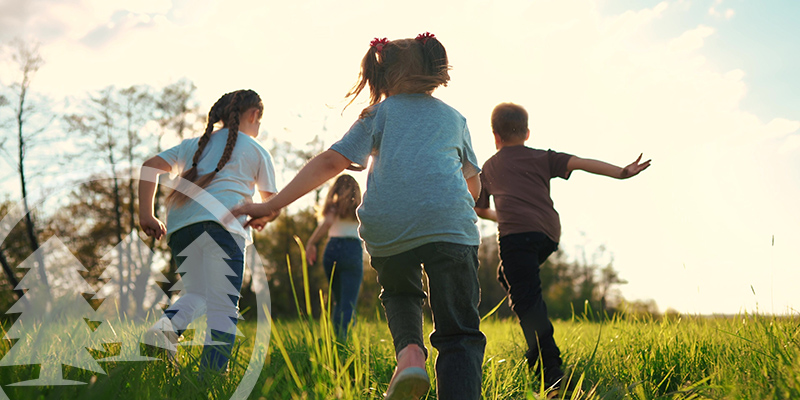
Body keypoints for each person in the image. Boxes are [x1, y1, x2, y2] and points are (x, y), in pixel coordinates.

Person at [230, 33, 486, 400]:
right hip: (448, 225)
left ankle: (410, 354)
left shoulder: (378, 114)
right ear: (434, 69)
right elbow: (472, 185)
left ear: (382, 77)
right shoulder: (454, 118)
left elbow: (331, 162)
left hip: (388, 227)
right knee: (459, 331)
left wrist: (272, 204)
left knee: (399, 293)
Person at [474, 102, 651, 389]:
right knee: (509, 280)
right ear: (527, 133)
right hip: (547, 235)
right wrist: (622, 172)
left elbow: (480, 210)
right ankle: (538, 349)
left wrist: (500, 213)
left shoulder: (490, 167)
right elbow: (580, 162)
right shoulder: (542, 157)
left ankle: (551, 371)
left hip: (516, 238)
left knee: (527, 299)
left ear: (495, 135)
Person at [138, 89, 278, 373]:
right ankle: (211, 378)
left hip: (181, 228)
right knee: (223, 306)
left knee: (199, 293)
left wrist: (146, 214)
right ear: (254, 115)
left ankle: (165, 327)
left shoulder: (193, 145)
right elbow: (272, 202)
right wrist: (264, 215)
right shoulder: (256, 150)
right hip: (224, 227)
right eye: (260, 120)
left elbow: (149, 167)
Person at [305, 174, 364, 340]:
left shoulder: (333, 208)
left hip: (332, 249)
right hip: (352, 249)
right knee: (348, 302)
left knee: (338, 300)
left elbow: (327, 224)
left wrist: (311, 243)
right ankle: (343, 341)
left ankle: (336, 340)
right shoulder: (360, 209)